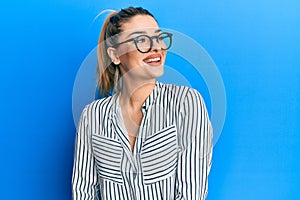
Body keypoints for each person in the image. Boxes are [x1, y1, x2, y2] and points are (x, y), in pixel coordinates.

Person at [72, 6, 213, 200]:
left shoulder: (187, 104)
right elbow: (82, 192)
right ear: (115, 55)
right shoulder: (92, 116)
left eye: (158, 38)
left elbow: (191, 194)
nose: (156, 47)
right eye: (141, 40)